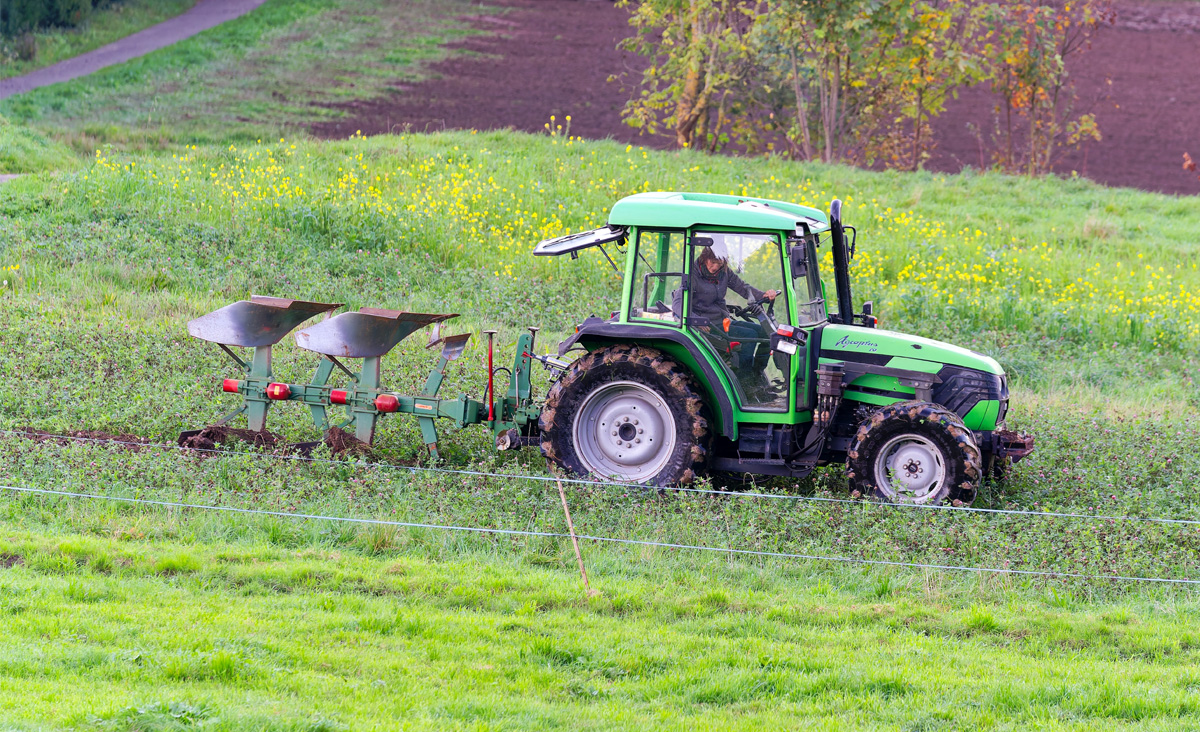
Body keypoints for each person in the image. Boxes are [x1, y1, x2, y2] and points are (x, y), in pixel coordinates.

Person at [673, 244, 779, 394]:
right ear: (705, 258)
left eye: (719, 263)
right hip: (707, 325)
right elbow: (677, 304)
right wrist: (696, 319)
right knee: (749, 336)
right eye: (713, 262)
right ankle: (745, 382)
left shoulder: (724, 273)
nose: (715, 266)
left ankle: (756, 375)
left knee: (765, 332)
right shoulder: (692, 275)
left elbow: (742, 287)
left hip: (723, 321)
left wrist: (763, 295)